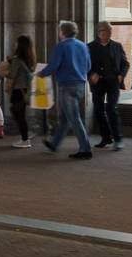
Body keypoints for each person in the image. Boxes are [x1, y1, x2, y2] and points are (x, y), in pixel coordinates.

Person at [36, 20, 93, 159]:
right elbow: (89, 66)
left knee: (74, 118)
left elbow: (54, 65)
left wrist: (40, 74)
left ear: (62, 32)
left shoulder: (61, 46)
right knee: (65, 118)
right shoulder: (83, 45)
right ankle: (54, 144)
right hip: (80, 84)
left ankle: (85, 149)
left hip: (66, 85)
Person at [88, 21, 129, 151]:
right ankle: (106, 137)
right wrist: (91, 74)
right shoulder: (90, 47)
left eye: (110, 31)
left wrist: (121, 75)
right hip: (98, 83)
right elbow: (84, 64)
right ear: (99, 32)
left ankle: (118, 139)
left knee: (111, 109)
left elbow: (125, 63)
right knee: (98, 111)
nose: (109, 34)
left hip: (113, 82)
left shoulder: (117, 46)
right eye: (106, 31)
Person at [1, 35, 37, 148]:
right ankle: (25, 135)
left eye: (17, 43)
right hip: (25, 89)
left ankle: (25, 139)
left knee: (18, 114)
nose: (14, 44)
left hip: (18, 89)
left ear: (20, 45)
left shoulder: (17, 59)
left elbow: (12, 74)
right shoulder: (30, 58)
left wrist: (2, 71)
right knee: (19, 112)